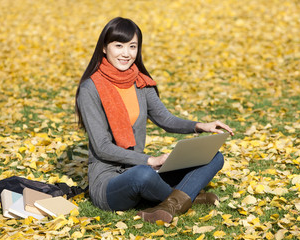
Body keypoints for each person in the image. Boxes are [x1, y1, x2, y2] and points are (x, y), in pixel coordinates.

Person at [75, 17, 234, 223]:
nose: (126, 53)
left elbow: (165, 119)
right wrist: (150, 161)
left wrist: (200, 126)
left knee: (214, 157)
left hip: (142, 168)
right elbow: (102, 147)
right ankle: (189, 197)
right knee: (143, 175)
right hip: (109, 181)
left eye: (132, 46)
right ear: (104, 48)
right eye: (118, 45)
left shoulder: (140, 82)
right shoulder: (90, 88)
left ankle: (171, 204)